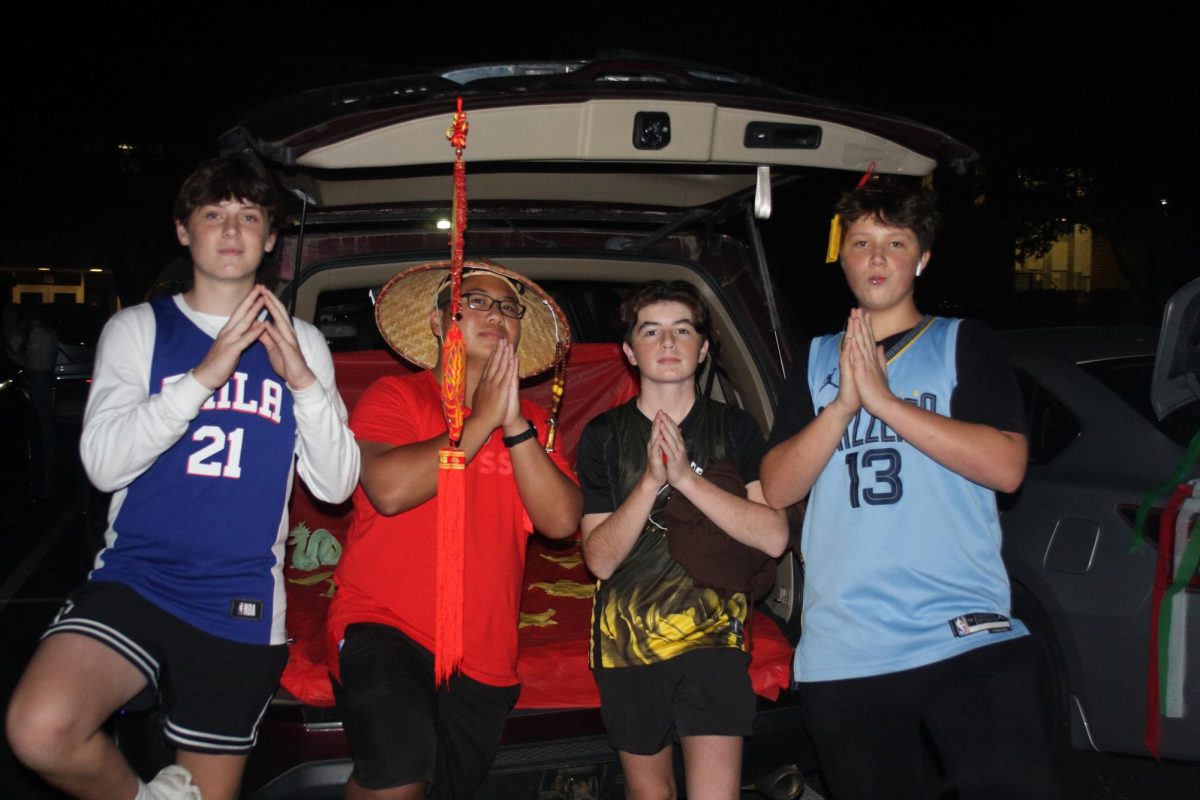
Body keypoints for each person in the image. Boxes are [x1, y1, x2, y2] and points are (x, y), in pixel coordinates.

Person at [5, 155, 361, 800]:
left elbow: (336, 487)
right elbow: (104, 464)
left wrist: (304, 383)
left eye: (249, 216)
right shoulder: (139, 328)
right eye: (214, 214)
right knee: (41, 729)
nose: (231, 230)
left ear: (271, 238)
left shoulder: (303, 341)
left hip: (240, 603)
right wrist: (207, 373)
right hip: (137, 579)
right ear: (183, 231)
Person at [760, 183, 1058, 799]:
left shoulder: (961, 342)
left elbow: (1007, 467)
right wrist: (843, 408)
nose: (875, 258)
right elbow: (778, 486)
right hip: (847, 646)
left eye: (894, 244)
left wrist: (886, 404)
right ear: (841, 257)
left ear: (921, 259)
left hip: (963, 628)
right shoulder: (816, 361)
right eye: (861, 243)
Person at [327, 261, 582, 800]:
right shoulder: (395, 396)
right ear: (441, 323)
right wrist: (481, 420)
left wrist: (512, 424)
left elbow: (561, 522)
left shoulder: (534, 424)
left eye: (508, 307)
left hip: (484, 655)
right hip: (385, 622)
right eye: (477, 302)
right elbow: (389, 491)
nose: (496, 314)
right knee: (398, 773)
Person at [577, 281, 788, 800]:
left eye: (683, 330)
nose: (668, 342)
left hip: (715, 633)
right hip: (626, 639)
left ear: (703, 347)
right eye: (651, 331)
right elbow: (599, 561)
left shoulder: (733, 427)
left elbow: (775, 535)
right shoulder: (603, 435)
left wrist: (687, 480)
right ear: (630, 350)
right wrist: (651, 481)